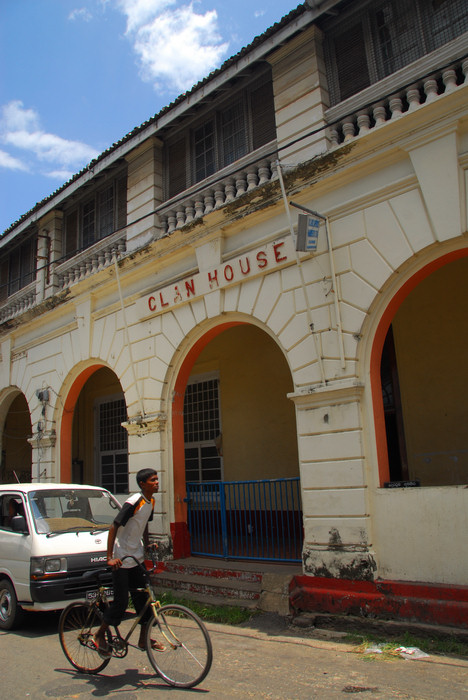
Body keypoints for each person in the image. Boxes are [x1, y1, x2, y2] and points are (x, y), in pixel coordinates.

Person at [93, 468, 161, 656]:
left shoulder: (151, 501)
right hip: (121, 559)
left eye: (157, 479)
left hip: (136, 557)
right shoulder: (133, 502)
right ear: (142, 484)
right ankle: (99, 635)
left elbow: (144, 524)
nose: (157, 483)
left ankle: (143, 638)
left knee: (144, 600)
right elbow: (114, 526)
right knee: (121, 603)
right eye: (153, 480)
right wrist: (110, 558)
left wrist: (147, 545)